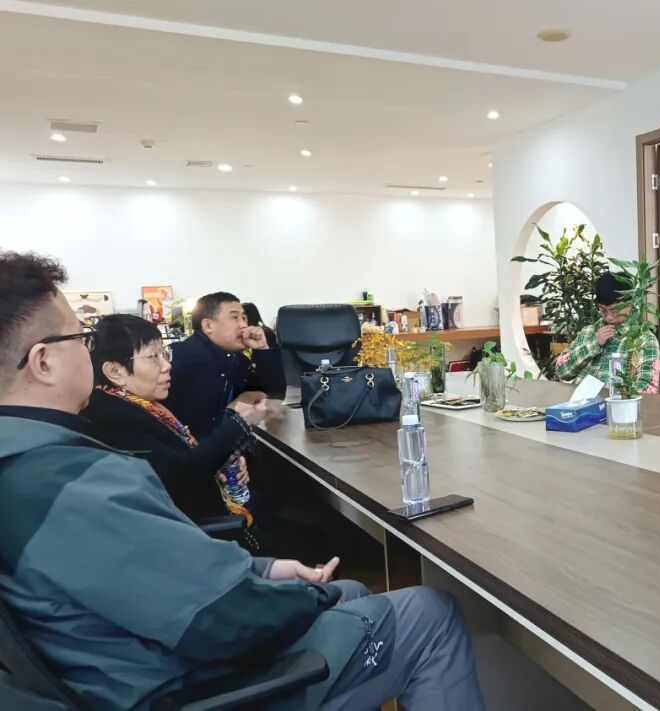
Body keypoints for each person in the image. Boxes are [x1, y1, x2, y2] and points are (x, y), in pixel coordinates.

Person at [0, 251, 484, 710]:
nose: (89, 347)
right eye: (79, 336)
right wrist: (308, 595)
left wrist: (264, 570)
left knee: (353, 591)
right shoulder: (74, 483)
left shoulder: (30, 464)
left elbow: (156, 571)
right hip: (188, 683)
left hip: (133, 664)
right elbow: (223, 618)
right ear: (44, 362)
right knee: (429, 613)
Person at [83, 314, 262, 522]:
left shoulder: (137, 404)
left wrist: (220, 461)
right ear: (115, 371)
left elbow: (178, 457)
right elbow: (182, 476)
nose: (167, 365)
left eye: (164, 353)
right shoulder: (115, 419)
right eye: (153, 357)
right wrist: (238, 423)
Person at [164, 292, 286, 438]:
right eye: (234, 318)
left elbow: (274, 395)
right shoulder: (179, 359)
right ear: (208, 325)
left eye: (244, 318)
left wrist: (262, 350)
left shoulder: (237, 359)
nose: (243, 325)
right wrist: (233, 410)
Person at [554, 271, 660, 393]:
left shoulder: (644, 339)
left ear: (630, 304)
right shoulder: (588, 332)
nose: (609, 317)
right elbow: (562, 372)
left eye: (615, 310)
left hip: (616, 403)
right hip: (579, 402)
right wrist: (594, 344)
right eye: (603, 310)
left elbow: (646, 389)